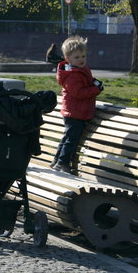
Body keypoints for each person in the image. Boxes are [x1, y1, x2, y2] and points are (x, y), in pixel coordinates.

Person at [51, 35, 103, 174]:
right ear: (68, 59)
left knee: (68, 137)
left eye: (83, 56)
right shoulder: (72, 75)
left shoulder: (79, 70)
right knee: (71, 139)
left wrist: (93, 83)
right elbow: (78, 93)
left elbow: (85, 83)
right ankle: (62, 163)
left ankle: (57, 161)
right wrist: (95, 89)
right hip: (75, 112)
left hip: (75, 111)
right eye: (77, 57)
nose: (81, 60)